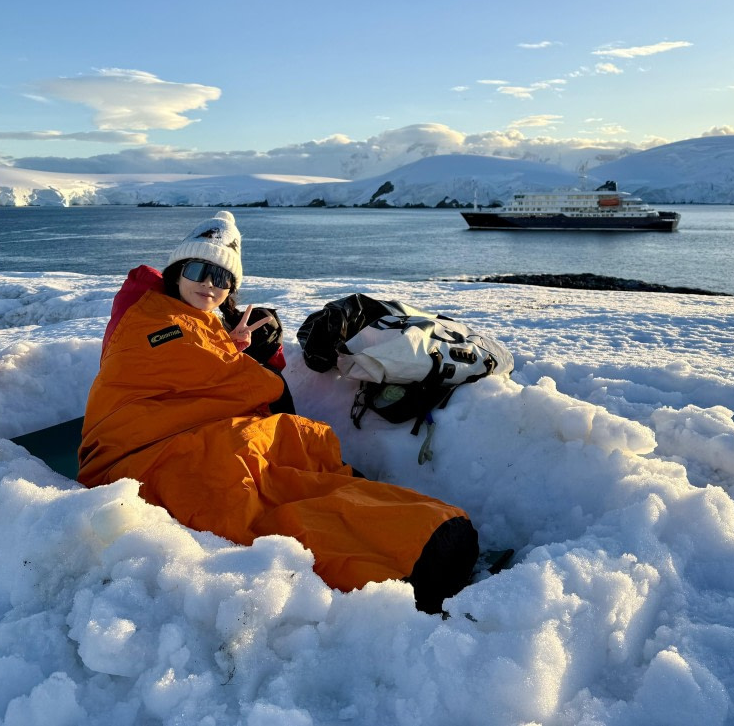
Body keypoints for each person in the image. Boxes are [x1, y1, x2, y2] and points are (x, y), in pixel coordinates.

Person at [78, 212, 478, 612]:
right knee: (243, 496)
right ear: (177, 271)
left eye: (222, 279)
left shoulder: (198, 321)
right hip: (143, 452)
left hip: (211, 435)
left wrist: (245, 351)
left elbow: (214, 374)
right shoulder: (145, 313)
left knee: (288, 477)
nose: (209, 284)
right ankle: (401, 568)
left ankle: (418, 531)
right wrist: (251, 364)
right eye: (199, 269)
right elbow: (180, 366)